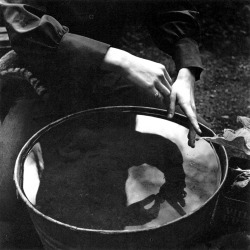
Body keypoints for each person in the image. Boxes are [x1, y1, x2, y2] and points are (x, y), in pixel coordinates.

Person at [0, 0, 204, 247]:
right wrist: (123, 60)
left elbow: (171, 7)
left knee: (198, 141)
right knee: (9, 199)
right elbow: (23, 23)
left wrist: (187, 71)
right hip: (32, 75)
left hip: (104, 77)